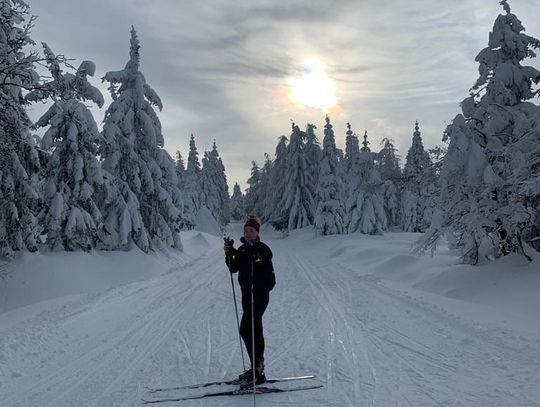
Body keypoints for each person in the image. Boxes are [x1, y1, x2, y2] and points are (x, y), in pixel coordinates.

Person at [224, 216, 276, 388]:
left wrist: (257, 258)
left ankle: (258, 370)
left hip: (259, 296)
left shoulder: (263, 249)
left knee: (250, 329)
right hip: (247, 296)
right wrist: (229, 252)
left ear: (257, 232)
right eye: (246, 231)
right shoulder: (243, 249)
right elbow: (233, 268)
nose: (247, 234)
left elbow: (267, 269)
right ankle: (256, 368)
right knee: (248, 330)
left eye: (251, 231)